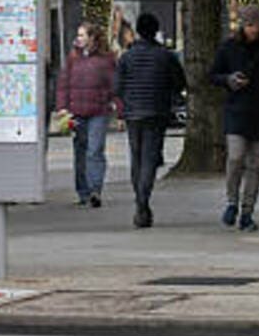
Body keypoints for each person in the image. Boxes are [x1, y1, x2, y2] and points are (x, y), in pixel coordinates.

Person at [210, 4, 259, 232]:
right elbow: (213, 75)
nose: (254, 29)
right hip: (237, 111)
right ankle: (232, 201)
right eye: (250, 25)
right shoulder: (229, 47)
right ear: (242, 25)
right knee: (235, 157)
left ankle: (247, 212)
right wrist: (229, 80)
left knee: (256, 166)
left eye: (257, 25)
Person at [112, 12, 185, 229]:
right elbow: (179, 83)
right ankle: (143, 201)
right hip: (156, 112)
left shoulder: (126, 57)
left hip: (133, 114)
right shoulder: (166, 56)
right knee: (149, 159)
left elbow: (117, 87)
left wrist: (127, 101)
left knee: (136, 158)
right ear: (155, 31)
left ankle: (140, 201)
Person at [55, 20, 116, 208]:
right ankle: (83, 192)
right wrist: (62, 107)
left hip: (99, 111)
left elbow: (115, 84)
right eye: (78, 35)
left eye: (82, 35)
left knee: (94, 150)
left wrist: (117, 107)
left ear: (92, 38)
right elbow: (64, 84)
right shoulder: (73, 58)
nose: (78, 38)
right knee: (80, 152)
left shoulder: (106, 59)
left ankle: (95, 190)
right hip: (77, 112)